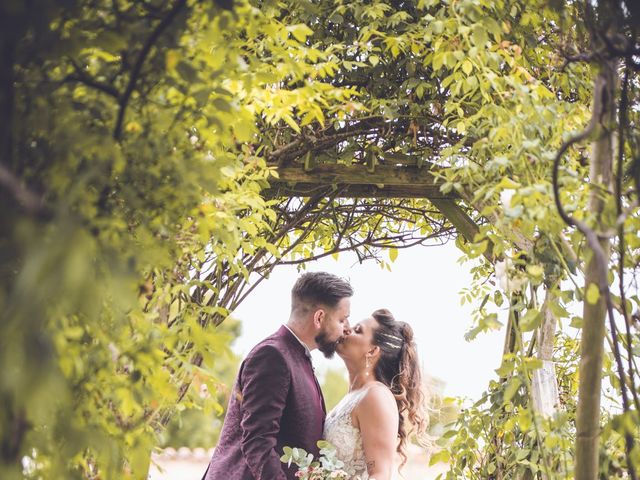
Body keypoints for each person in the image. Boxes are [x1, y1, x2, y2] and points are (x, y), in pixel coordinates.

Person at [202, 272, 353, 480]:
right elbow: (258, 441)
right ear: (319, 317)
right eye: (342, 319)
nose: (347, 328)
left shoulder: (297, 357)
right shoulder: (272, 356)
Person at [324, 308, 428, 480]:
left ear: (372, 351)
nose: (346, 330)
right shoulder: (351, 397)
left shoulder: (376, 396)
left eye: (358, 330)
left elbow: (380, 475)